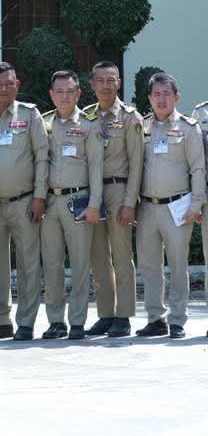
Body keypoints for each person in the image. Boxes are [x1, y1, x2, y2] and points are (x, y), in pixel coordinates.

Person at [0, 62, 48, 341]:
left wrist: (40, 196)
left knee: (29, 264)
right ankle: (0, 320)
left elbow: (42, 157)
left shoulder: (30, 115)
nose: (5, 89)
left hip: (25, 202)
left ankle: (26, 322)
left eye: (10, 83)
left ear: (17, 84)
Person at [134, 72, 204, 339]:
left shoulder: (188, 127)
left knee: (177, 265)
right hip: (147, 207)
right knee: (149, 265)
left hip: (178, 207)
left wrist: (196, 204)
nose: (161, 99)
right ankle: (155, 318)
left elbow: (197, 168)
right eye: (156, 94)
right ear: (149, 98)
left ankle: (177, 320)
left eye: (166, 94)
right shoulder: (141, 127)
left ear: (177, 97)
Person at [39, 70, 102, 341]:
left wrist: (95, 204)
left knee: (79, 263)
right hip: (50, 201)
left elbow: (96, 167)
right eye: (59, 91)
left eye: (70, 91)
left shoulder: (89, 124)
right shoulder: (43, 123)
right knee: (52, 264)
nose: (64, 97)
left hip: (79, 201)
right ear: (51, 94)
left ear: (78, 94)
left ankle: (77, 321)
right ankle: (56, 321)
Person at [84, 62, 143, 338]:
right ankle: (106, 314)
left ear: (119, 82)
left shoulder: (130, 117)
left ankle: (124, 315)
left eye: (111, 80)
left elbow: (137, 163)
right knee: (98, 256)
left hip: (119, 191)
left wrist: (130, 203)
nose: (106, 86)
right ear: (92, 84)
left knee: (121, 255)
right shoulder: (86, 116)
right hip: (92, 194)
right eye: (100, 80)